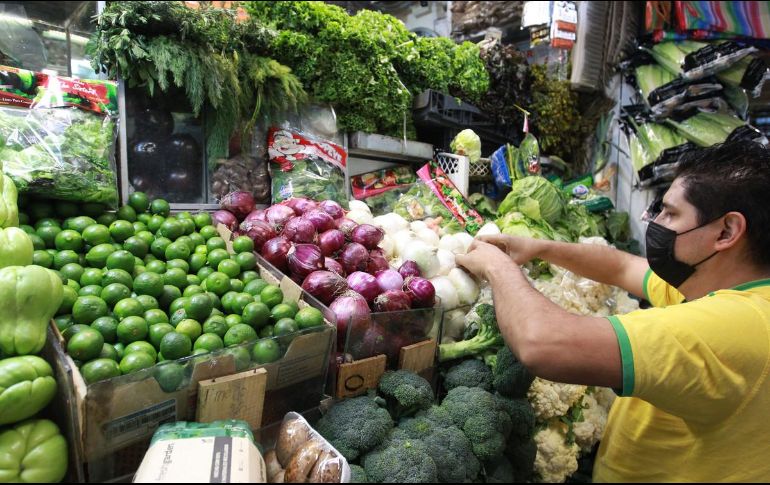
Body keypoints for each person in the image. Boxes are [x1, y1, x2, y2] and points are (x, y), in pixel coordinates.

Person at [455, 141, 770, 482]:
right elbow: (622, 267)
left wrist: (497, 268)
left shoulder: (735, 327)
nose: (658, 223)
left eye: (671, 213)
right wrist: (539, 248)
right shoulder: (721, 288)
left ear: (726, 231)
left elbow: (541, 343)